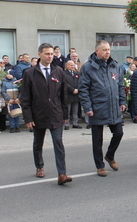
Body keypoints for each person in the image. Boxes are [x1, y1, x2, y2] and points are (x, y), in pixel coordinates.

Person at [21, 43, 72, 185]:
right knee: (38, 143)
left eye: (51, 54)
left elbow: (63, 96)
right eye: (47, 54)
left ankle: (62, 173)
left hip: (56, 114)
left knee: (58, 143)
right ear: (39, 54)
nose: (50, 56)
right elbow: (25, 98)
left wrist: (65, 115)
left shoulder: (58, 71)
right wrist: (28, 118)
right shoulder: (30, 73)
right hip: (38, 115)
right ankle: (39, 166)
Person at [79, 40, 126, 177]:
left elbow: (120, 86)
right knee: (97, 140)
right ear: (97, 51)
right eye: (104, 50)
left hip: (113, 106)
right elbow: (83, 89)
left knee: (118, 133)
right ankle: (100, 166)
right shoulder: (88, 67)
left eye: (109, 50)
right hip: (97, 107)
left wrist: (122, 101)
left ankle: (110, 155)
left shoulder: (114, 66)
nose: (107, 52)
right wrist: (87, 107)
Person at [63, 60, 81, 130]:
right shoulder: (63, 74)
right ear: (67, 66)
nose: (72, 66)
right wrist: (72, 90)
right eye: (71, 65)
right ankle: (66, 124)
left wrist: (78, 89)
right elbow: (65, 83)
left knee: (75, 111)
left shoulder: (77, 74)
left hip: (76, 95)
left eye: (73, 65)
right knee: (67, 110)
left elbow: (81, 82)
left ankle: (75, 123)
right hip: (68, 94)